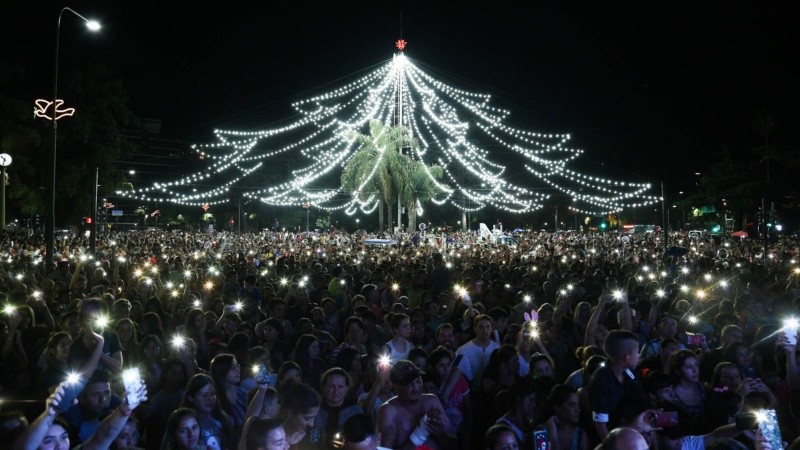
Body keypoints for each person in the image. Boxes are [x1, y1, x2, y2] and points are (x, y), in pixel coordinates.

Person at [377, 359, 457, 450]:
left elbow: (454, 444)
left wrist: (440, 435)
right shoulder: (389, 412)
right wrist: (420, 434)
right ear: (396, 387)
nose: (416, 388)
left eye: (418, 381)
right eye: (409, 384)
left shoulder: (431, 401)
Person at [586, 330, 644, 440]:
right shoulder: (601, 380)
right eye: (637, 352)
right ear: (627, 357)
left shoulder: (629, 373)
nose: (639, 355)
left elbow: (639, 398)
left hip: (627, 432)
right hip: (609, 438)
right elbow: (601, 426)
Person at [180, 373, 234, 450]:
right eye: (204, 395)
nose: (210, 399)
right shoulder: (181, 423)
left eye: (213, 394)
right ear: (191, 398)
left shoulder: (222, 421)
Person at [314, 368, 364, 445]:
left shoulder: (355, 411)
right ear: (324, 387)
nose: (335, 391)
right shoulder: (314, 409)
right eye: (331, 386)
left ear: (347, 388)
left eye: (340, 386)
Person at [455, 314, 500, 392]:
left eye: (487, 327)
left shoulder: (498, 348)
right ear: (475, 329)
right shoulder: (463, 350)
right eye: (481, 327)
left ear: (491, 329)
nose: (485, 330)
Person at [543, 384, 590, 450]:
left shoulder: (580, 435)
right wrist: (553, 433)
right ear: (557, 407)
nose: (578, 410)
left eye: (578, 405)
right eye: (572, 405)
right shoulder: (541, 433)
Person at [279, 381, 323, 449]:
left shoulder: (314, 435)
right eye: (307, 418)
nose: (312, 424)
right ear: (290, 413)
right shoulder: (274, 437)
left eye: (314, 417)